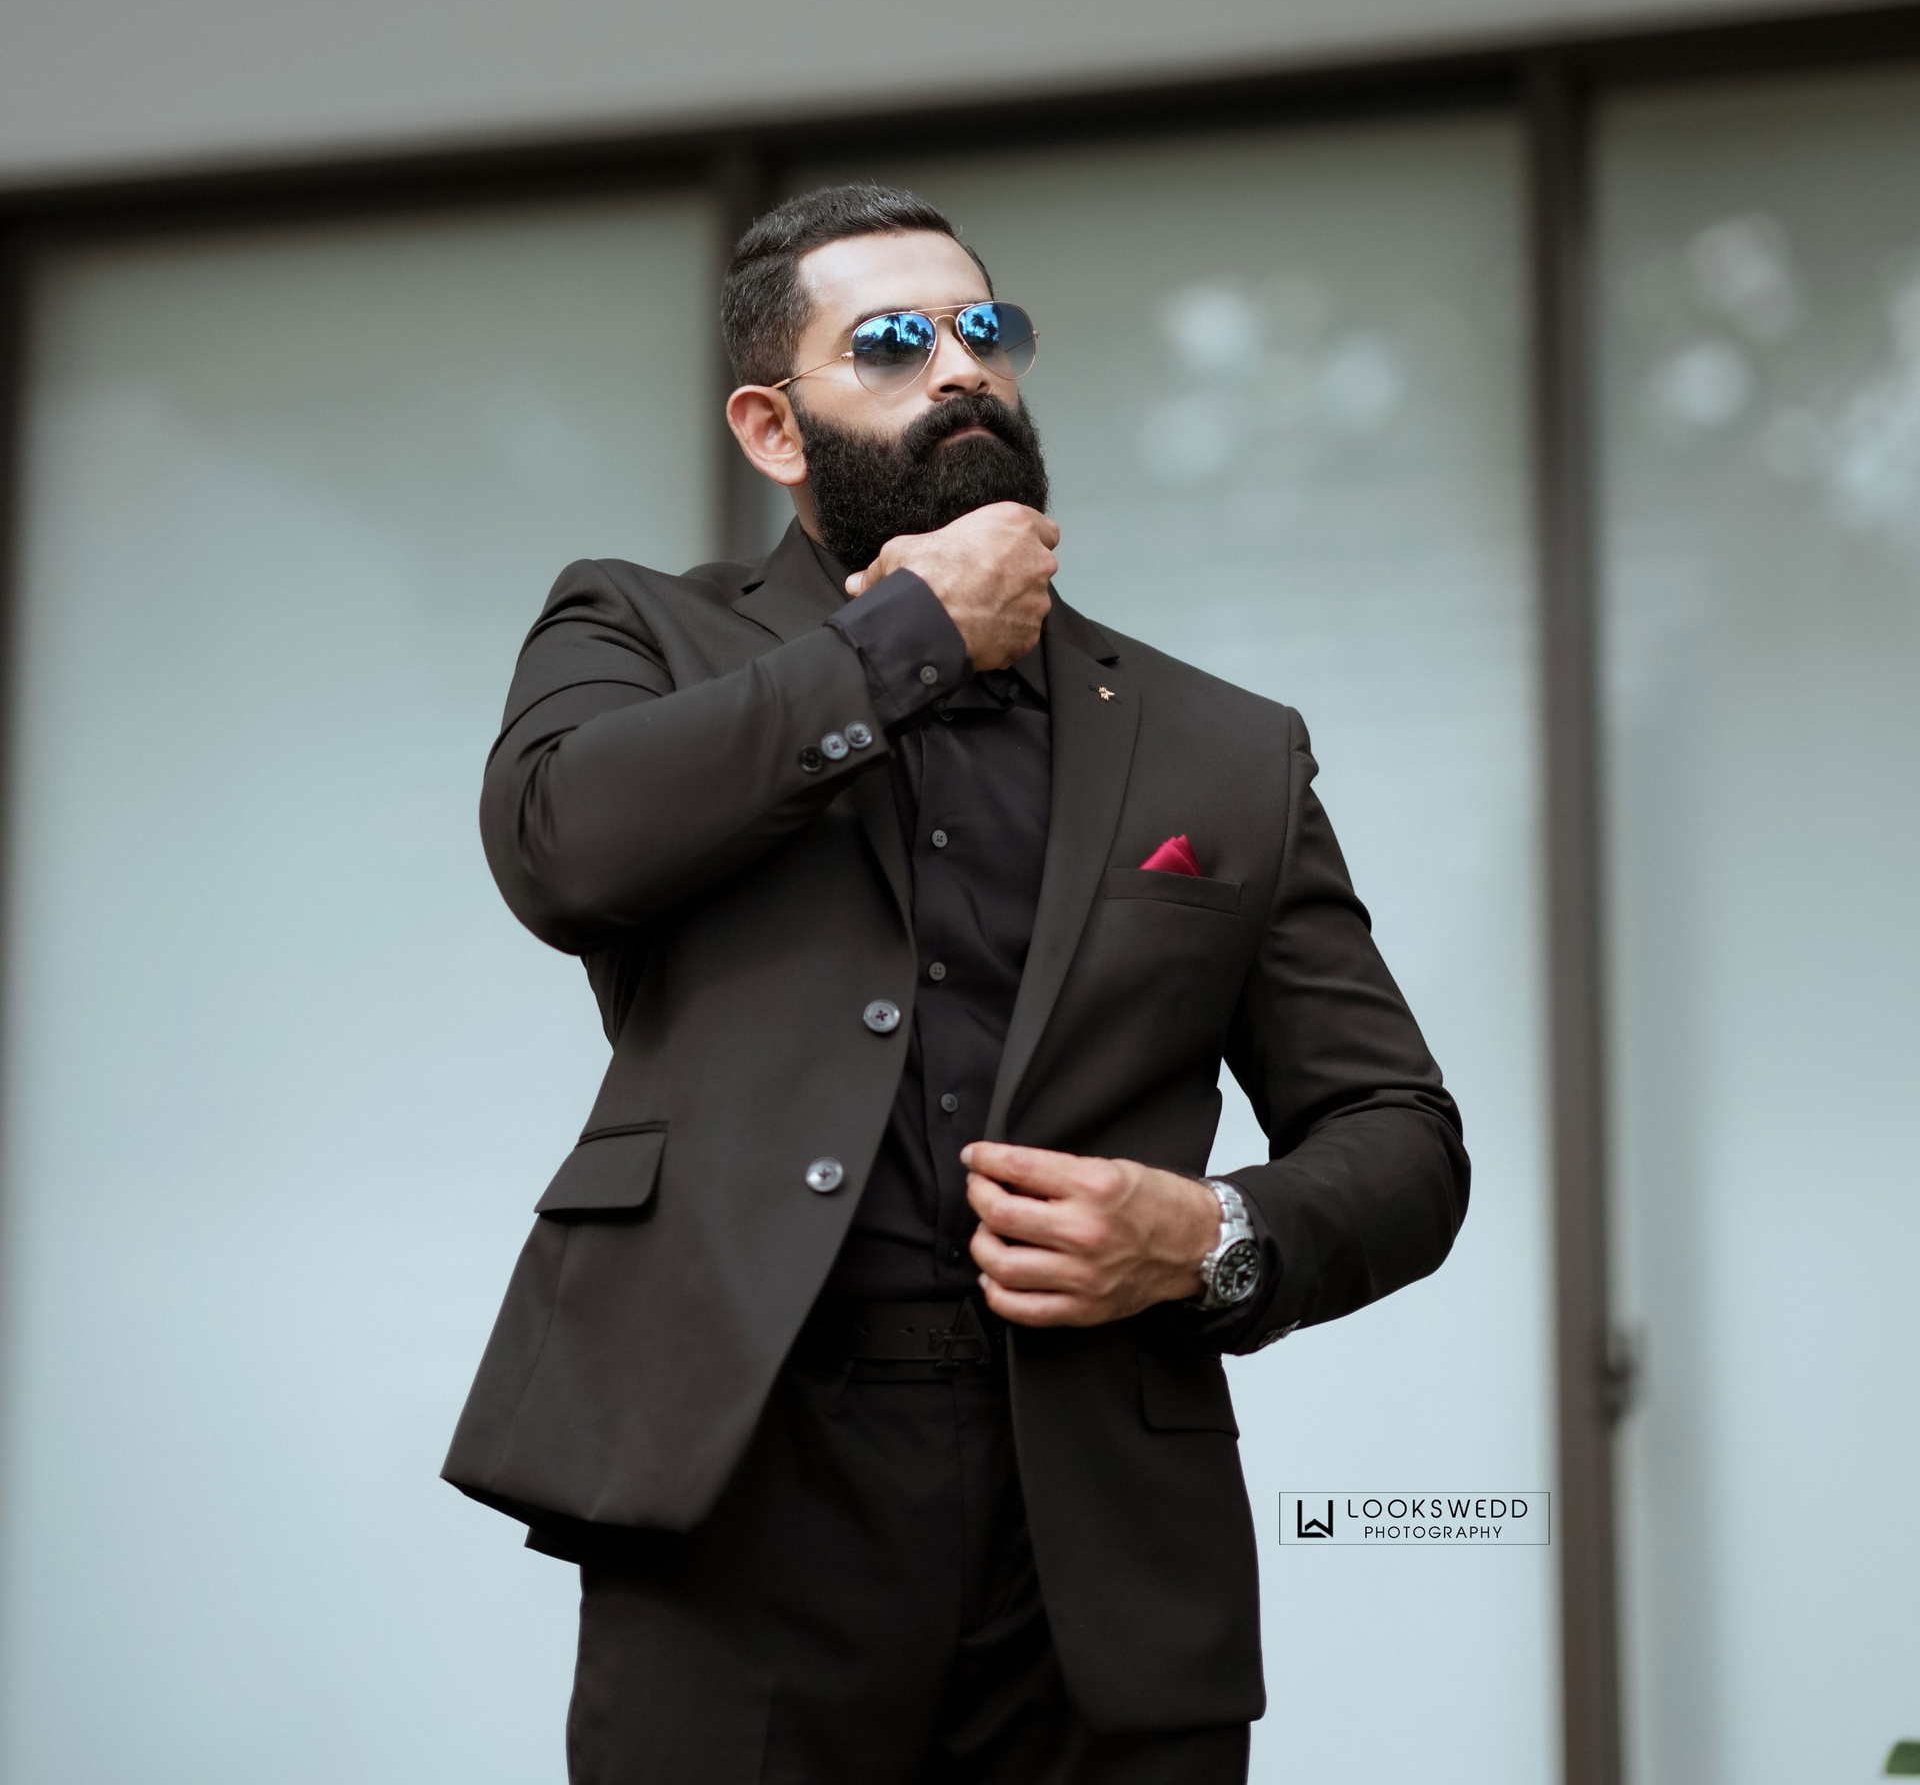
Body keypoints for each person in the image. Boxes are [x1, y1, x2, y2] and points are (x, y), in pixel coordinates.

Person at [444, 181, 1468, 1785]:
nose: (960, 369)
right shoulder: (640, 632)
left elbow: (1402, 1137)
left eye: (985, 330)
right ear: (774, 429)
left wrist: (1211, 1235)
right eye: (892, 344)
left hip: (1099, 1535)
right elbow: (559, 846)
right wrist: (913, 638)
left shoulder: (1223, 747)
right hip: (739, 1496)